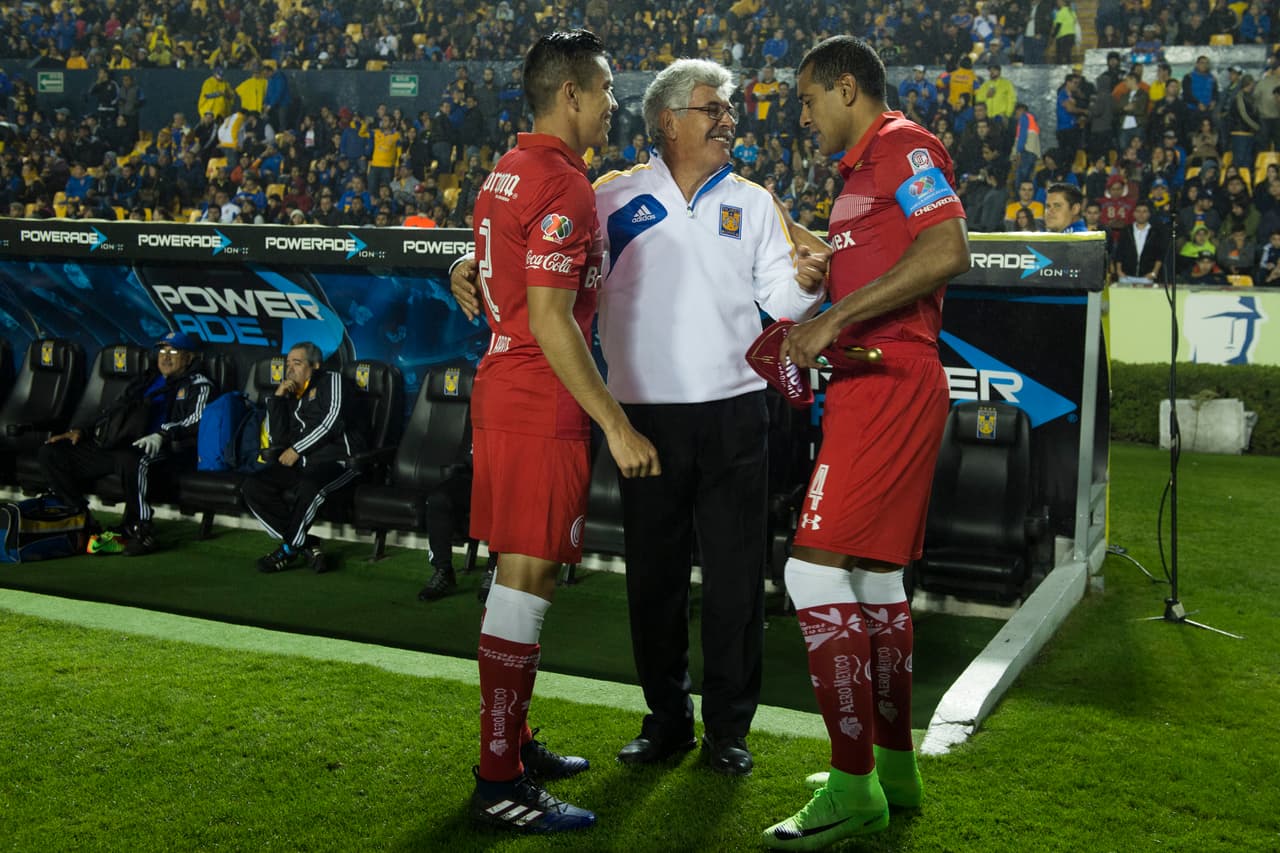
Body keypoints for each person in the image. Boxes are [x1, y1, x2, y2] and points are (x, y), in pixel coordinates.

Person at [452, 57, 827, 779]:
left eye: (727, 110)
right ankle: (666, 719)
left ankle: (728, 728)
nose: (728, 121)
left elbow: (780, 299)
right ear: (668, 120)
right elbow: (527, 247)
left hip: (735, 413)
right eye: (713, 110)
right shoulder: (608, 195)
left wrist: (807, 288)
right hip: (643, 419)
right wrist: (463, 266)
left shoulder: (753, 201)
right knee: (653, 579)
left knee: (735, 579)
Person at [761, 35, 970, 850]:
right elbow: (886, 254)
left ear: (847, 88)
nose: (804, 116)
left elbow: (948, 249)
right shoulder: (858, 175)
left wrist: (834, 318)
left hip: (888, 380)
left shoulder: (905, 145)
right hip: (874, 382)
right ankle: (893, 767)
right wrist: (827, 269)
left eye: (808, 100)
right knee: (877, 579)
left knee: (810, 571)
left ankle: (853, 787)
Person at [452, 29, 660, 835]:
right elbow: (550, 319)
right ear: (570, 94)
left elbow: (495, 269)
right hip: (540, 400)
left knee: (518, 575)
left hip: (505, 387)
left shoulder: (507, 170)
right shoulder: (563, 186)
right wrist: (616, 424)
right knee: (526, 580)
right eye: (605, 88)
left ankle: (513, 743)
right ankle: (498, 778)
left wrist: (460, 269)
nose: (613, 103)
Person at [37, 332, 213, 556]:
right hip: (120, 443)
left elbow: (197, 419)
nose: (166, 357)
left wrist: (162, 434)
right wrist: (83, 431)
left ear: (189, 358)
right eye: (162, 351)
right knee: (51, 453)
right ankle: (80, 517)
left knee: (133, 459)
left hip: (163, 447)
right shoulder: (146, 379)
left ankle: (140, 530)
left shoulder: (198, 384)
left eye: (174, 351)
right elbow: (114, 411)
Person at [244, 341, 365, 575]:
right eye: (288, 363)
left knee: (311, 486)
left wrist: (297, 449)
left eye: (297, 363)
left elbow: (333, 422)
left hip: (341, 462)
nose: (289, 368)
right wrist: (278, 399)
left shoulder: (332, 380)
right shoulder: (291, 393)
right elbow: (278, 438)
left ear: (315, 365)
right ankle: (306, 544)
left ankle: (288, 549)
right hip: (304, 464)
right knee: (252, 486)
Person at [1114, 200, 1166, 283]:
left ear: (1149, 214)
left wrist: (1154, 272)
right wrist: (1119, 271)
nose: (1141, 214)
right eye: (1138, 211)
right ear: (1134, 213)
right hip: (1126, 276)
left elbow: (1159, 255)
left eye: (1144, 211)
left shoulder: (1155, 232)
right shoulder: (1126, 230)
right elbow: (1119, 252)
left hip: (1147, 277)